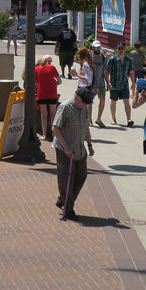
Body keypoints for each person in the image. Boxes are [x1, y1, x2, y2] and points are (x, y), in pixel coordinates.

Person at [52, 85, 96, 221]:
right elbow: (55, 128)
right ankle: (68, 209)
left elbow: (86, 127)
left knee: (81, 175)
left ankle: (63, 199)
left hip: (80, 148)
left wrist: (90, 145)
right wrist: (66, 147)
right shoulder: (65, 107)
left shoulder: (84, 108)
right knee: (66, 179)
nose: (85, 105)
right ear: (76, 97)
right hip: (64, 149)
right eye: (83, 102)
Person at [105, 43, 133, 127]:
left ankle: (129, 119)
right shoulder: (112, 59)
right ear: (117, 49)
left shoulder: (129, 60)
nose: (121, 50)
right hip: (114, 84)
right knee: (113, 101)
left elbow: (131, 72)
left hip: (124, 84)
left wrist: (133, 83)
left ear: (125, 49)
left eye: (122, 48)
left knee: (126, 101)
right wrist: (108, 82)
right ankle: (113, 119)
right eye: (119, 48)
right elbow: (107, 71)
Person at [33, 56, 62, 137]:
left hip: (41, 94)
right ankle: (53, 134)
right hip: (52, 93)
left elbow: (35, 83)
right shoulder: (52, 67)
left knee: (43, 115)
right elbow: (59, 81)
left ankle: (44, 134)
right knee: (53, 114)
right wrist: (54, 83)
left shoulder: (36, 69)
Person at [89, 41, 109, 127]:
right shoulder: (89, 57)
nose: (98, 49)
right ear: (93, 47)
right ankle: (89, 119)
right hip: (92, 83)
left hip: (101, 82)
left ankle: (99, 119)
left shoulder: (103, 58)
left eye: (99, 47)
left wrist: (108, 82)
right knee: (90, 101)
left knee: (102, 99)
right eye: (96, 47)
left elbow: (104, 71)